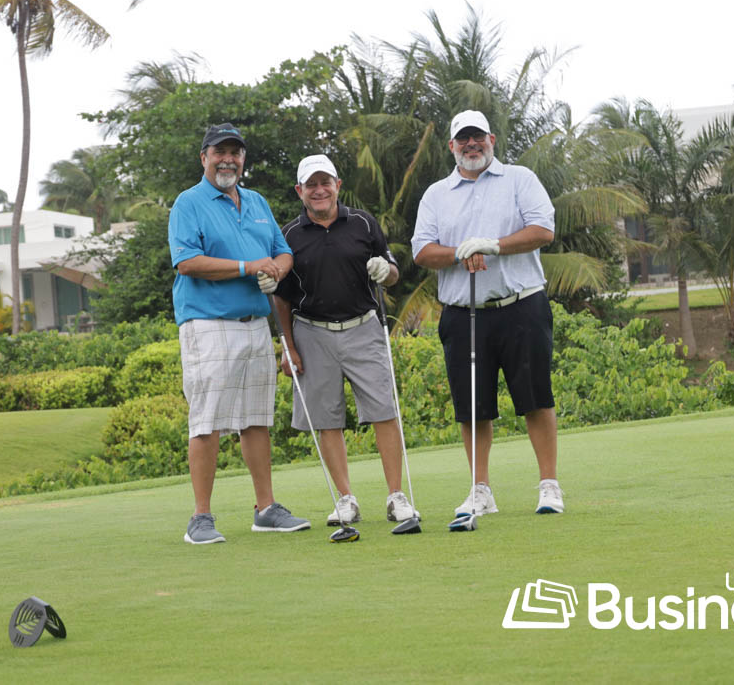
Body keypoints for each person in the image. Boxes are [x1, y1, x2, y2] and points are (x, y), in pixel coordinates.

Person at [411, 110, 564, 517]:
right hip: (463, 314)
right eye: (463, 138)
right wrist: (460, 253)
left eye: (478, 136)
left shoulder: (519, 179)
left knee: (536, 398)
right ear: (452, 146)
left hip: (521, 307)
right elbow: (422, 250)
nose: (471, 144)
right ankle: (481, 490)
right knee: (472, 407)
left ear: (491, 139)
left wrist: (493, 245)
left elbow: (543, 230)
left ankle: (549, 485)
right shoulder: (436, 194)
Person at [169, 122, 311, 545]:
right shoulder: (188, 202)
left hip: (254, 324)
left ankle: (265, 509)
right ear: (204, 157)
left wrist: (276, 270)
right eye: (220, 152)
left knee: (256, 419)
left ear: (243, 159)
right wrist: (249, 268)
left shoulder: (256, 201)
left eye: (235, 153)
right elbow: (187, 262)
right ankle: (200, 517)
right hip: (208, 323)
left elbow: (282, 251)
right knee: (207, 421)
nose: (227, 160)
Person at [273, 154, 418, 526]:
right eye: (311, 184)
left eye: (326, 182)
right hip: (311, 332)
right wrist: (288, 346)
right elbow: (282, 297)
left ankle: (396, 496)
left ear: (337, 185)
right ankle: (346, 499)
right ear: (300, 191)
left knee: (384, 410)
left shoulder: (363, 223)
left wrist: (386, 271)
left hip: (363, 327)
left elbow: (392, 273)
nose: (319, 190)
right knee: (326, 419)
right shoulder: (289, 235)